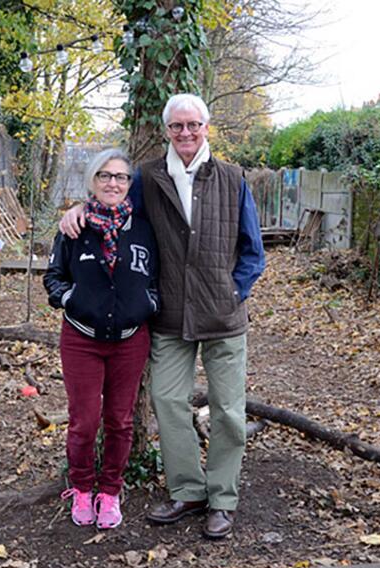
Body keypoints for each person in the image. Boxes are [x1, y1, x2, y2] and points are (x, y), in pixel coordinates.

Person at [60, 94, 265, 539]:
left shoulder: (233, 178)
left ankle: (223, 498)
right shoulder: (148, 176)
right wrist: (76, 209)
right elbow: (109, 203)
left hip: (223, 318)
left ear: (206, 127)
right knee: (169, 403)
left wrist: (234, 292)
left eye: (193, 125)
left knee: (229, 412)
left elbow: (253, 251)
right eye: (177, 127)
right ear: (168, 130)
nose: (185, 134)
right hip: (171, 316)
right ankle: (188, 489)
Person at [44, 148, 159, 530]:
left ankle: (109, 491)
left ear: (130, 184)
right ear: (93, 181)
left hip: (130, 339)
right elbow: (53, 278)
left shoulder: (144, 227)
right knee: (84, 421)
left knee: (120, 421)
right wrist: (70, 299)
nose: (113, 183)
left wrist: (147, 303)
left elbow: (158, 278)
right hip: (81, 339)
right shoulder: (74, 228)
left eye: (121, 177)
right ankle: (80, 487)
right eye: (105, 176)